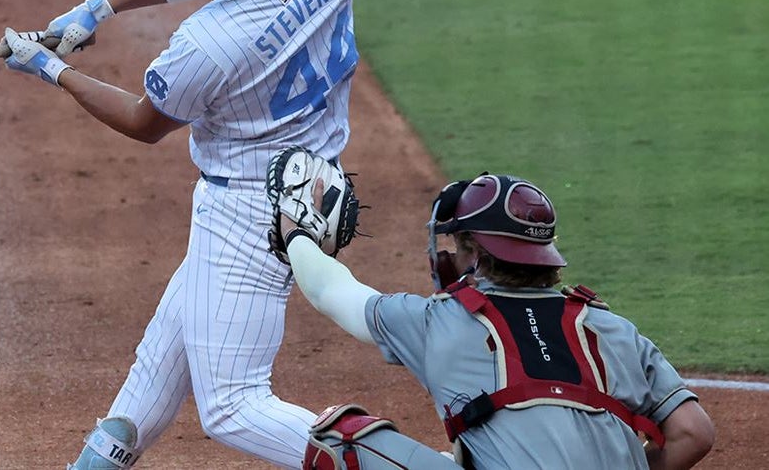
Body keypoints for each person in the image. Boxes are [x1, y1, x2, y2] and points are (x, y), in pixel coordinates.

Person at [1, 0, 361, 469]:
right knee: (163, 355)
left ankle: (389, 461)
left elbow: (146, 123)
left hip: (250, 210)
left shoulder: (210, 45)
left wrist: (51, 70)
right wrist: (99, 8)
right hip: (314, 177)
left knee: (232, 406)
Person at [271, 164, 715, 469]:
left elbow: (331, 290)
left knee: (340, 439)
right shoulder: (612, 328)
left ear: (475, 253)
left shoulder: (438, 321)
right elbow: (693, 433)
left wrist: (295, 231)